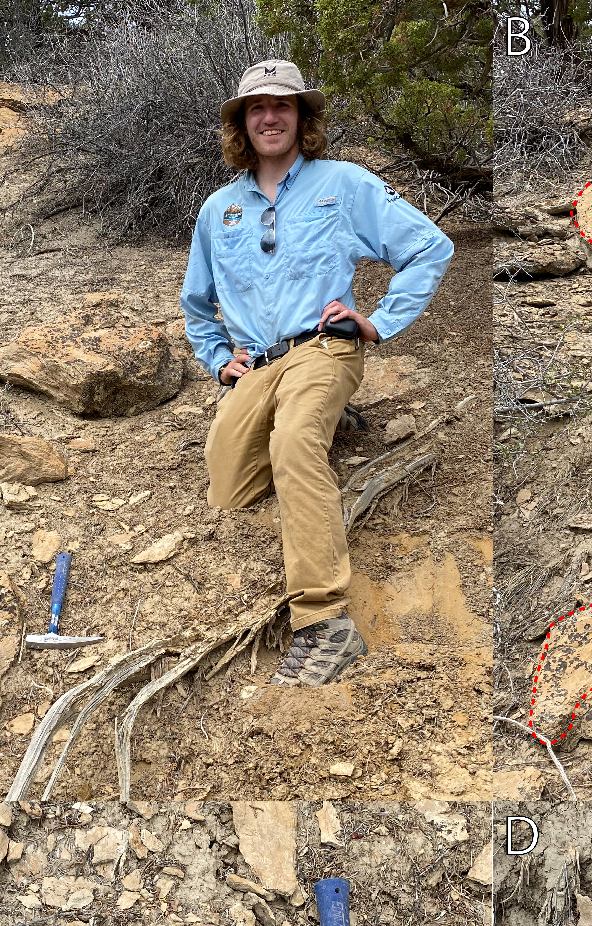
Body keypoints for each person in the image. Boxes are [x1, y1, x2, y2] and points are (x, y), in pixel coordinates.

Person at [181, 59, 454, 687]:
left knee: (295, 440)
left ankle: (325, 621)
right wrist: (220, 359)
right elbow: (197, 304)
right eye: (257, 108)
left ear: (303, 118)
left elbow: (429, 247)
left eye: (283, 106)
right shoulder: (218, 210)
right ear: (241, 124)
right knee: (228, 486)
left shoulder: (344, 185)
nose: (270, 117)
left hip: (322, 350)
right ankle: (309, 478)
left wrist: (379, 321)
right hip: (258, 364)